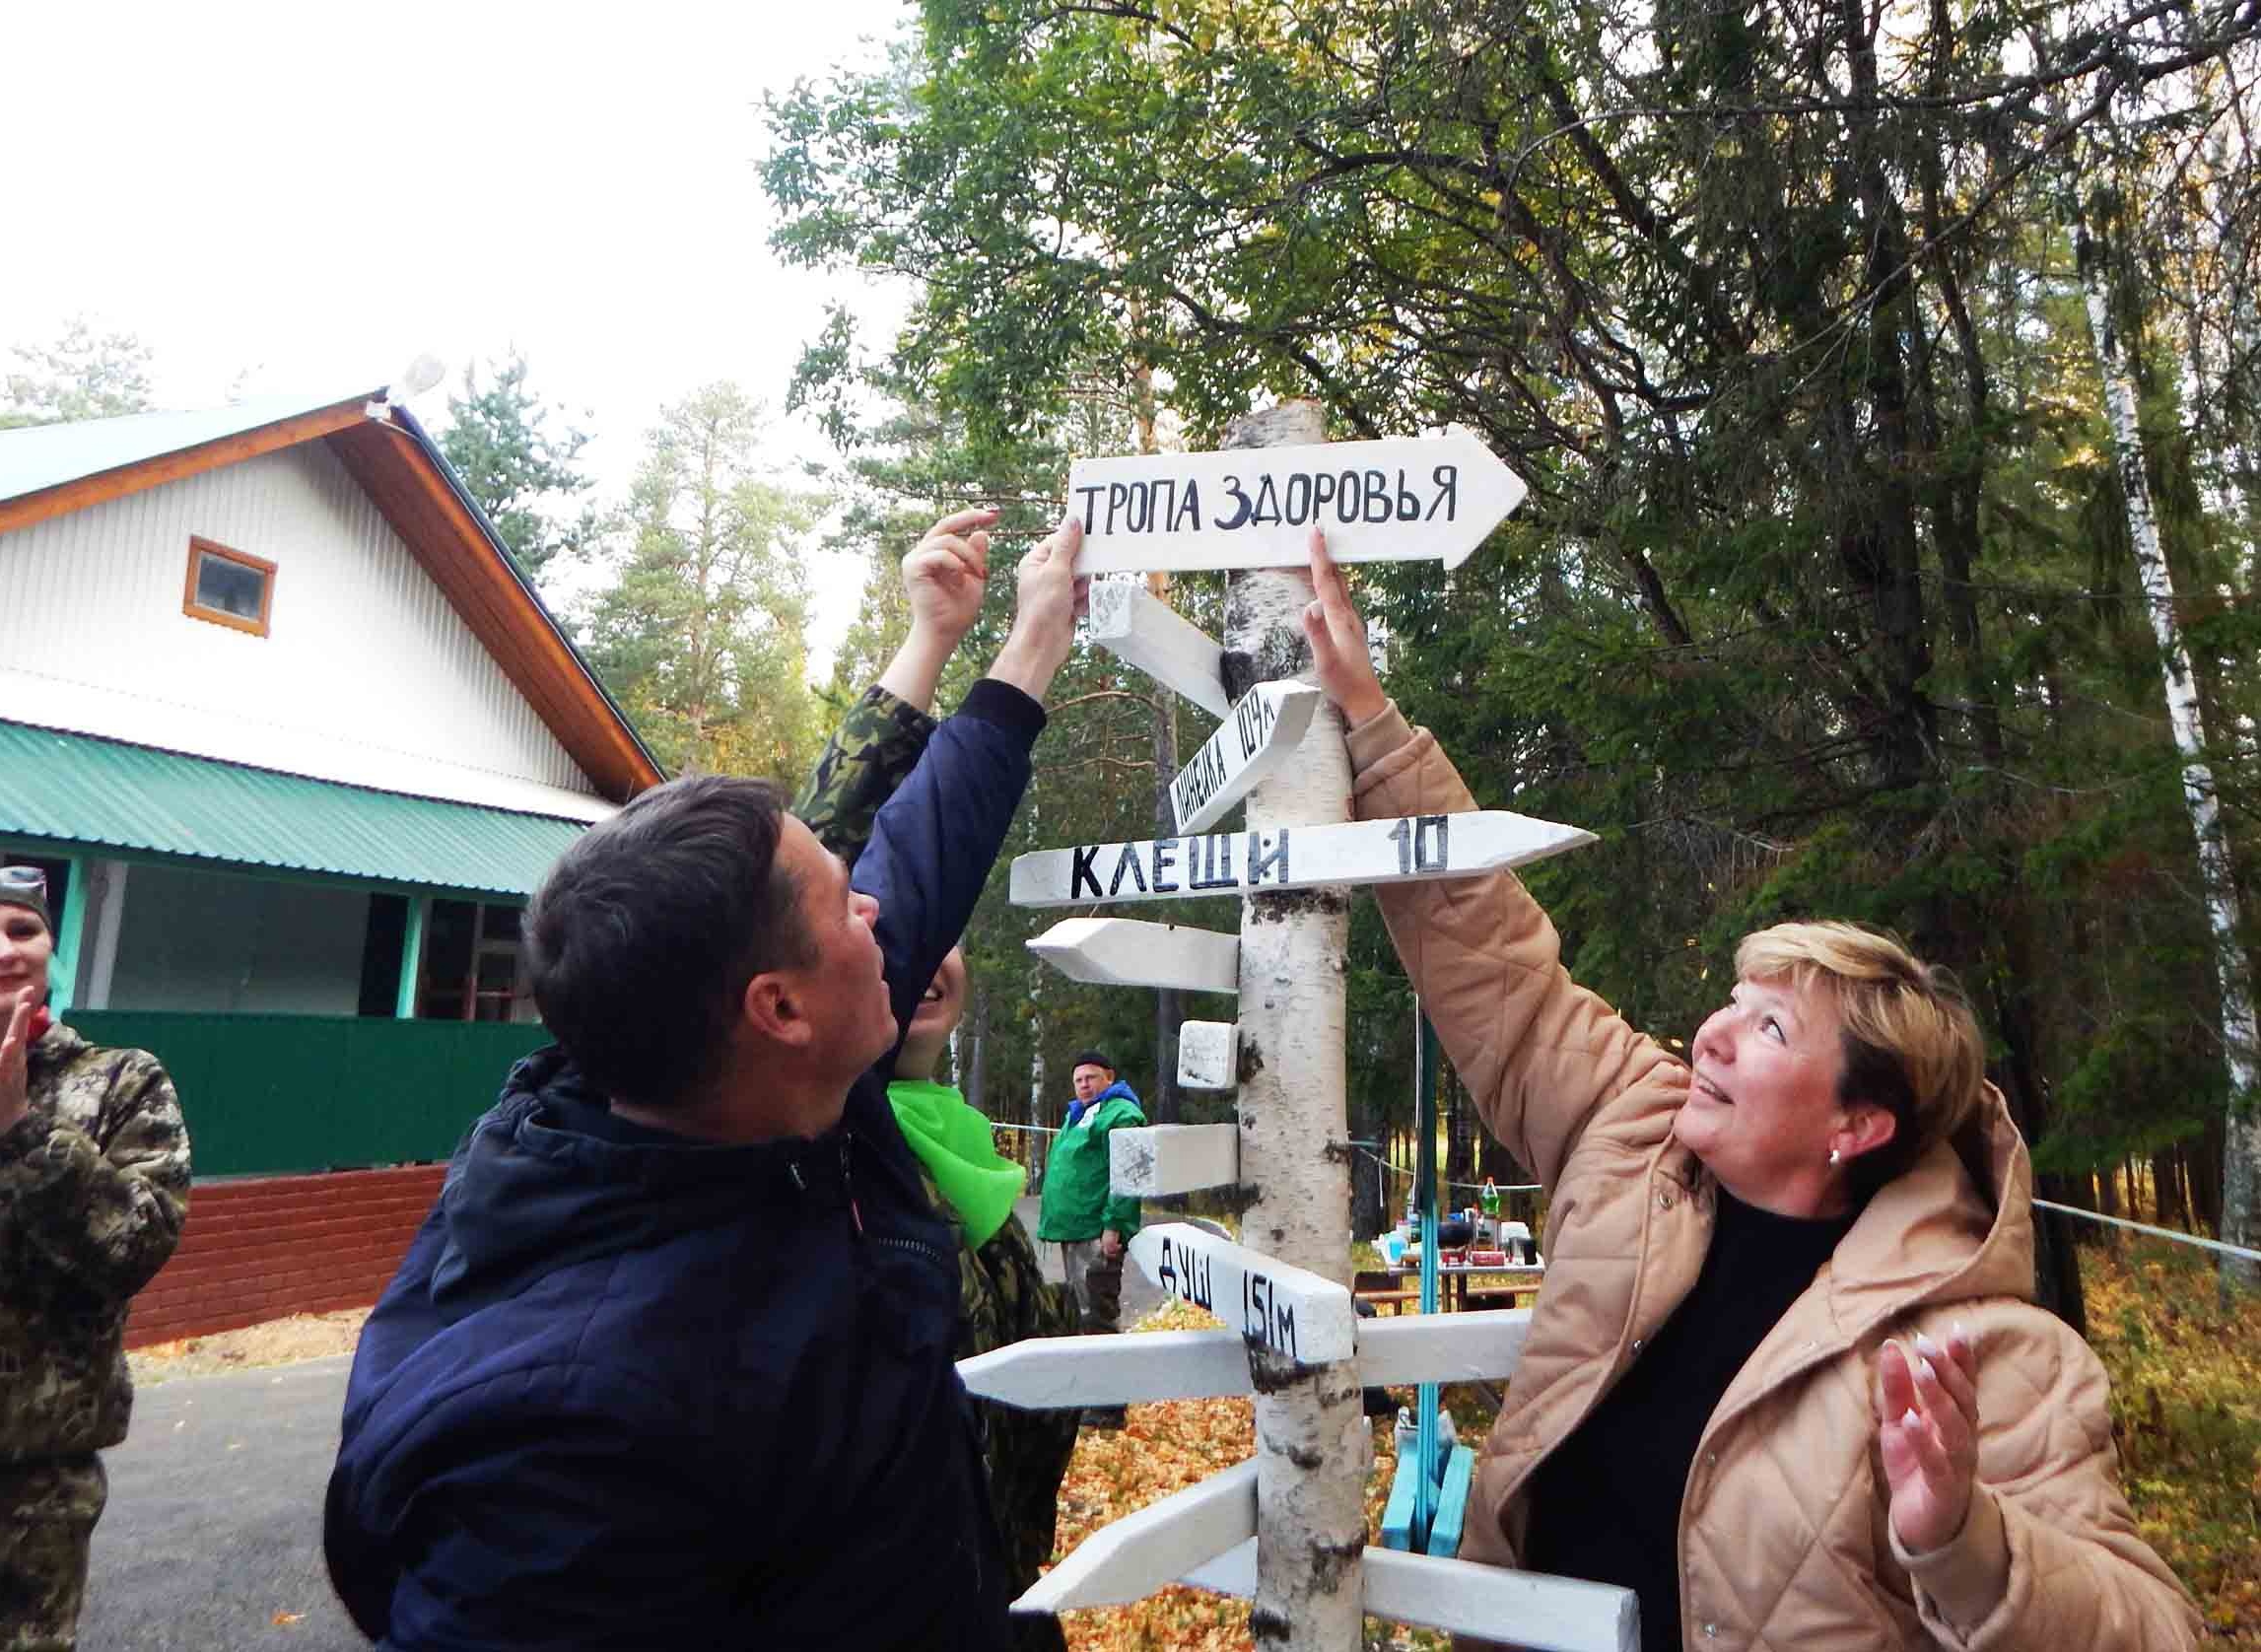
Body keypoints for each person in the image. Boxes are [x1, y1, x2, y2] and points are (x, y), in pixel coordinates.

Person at [1299, 530, 2200, 1651]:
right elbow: (1498, 967)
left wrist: (1965, 1540)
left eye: (1767, 1025)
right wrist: (1372, 722)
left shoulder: (1981, 1350)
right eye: (1732, 997)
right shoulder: (1631, 1132)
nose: (1712, 1031)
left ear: (1855, 1124)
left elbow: (2157, 1629)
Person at [322, 509, 1086, 1651]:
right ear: (777, 1006)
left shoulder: (746, 1074)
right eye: (842, 900)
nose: (876, 906)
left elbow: (913, 848)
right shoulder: (561, 1442)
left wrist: (1025, 651)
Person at [792, 529, 1080, 1652]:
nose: (879, 925)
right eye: (860, 926)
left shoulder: (974, 1166)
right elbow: (865, 855)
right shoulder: (810, 1131)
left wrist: (931, 634)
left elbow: (851, 858)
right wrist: (1028, 643)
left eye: (921, 942)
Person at [0, 864, 192, 1652]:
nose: (3, 949)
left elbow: (135, 1244)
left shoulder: (117, 1082)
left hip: (19, 1488)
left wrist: (23, 1134)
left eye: (24, 930)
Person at [1037, 1050, 1145, 1427]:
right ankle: (1090, 1397)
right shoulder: (1081, 1113)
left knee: (1096, 1316)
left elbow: (1129, 1173)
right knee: (1080, 1315)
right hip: (1074, 1231)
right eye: (1079, 1079)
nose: (1084, 1085)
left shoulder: (1121, 1114)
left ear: (1109, 1078)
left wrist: (1114, 1225)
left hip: (1097, 1233)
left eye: (1091, 1078)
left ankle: (1108, 1407)